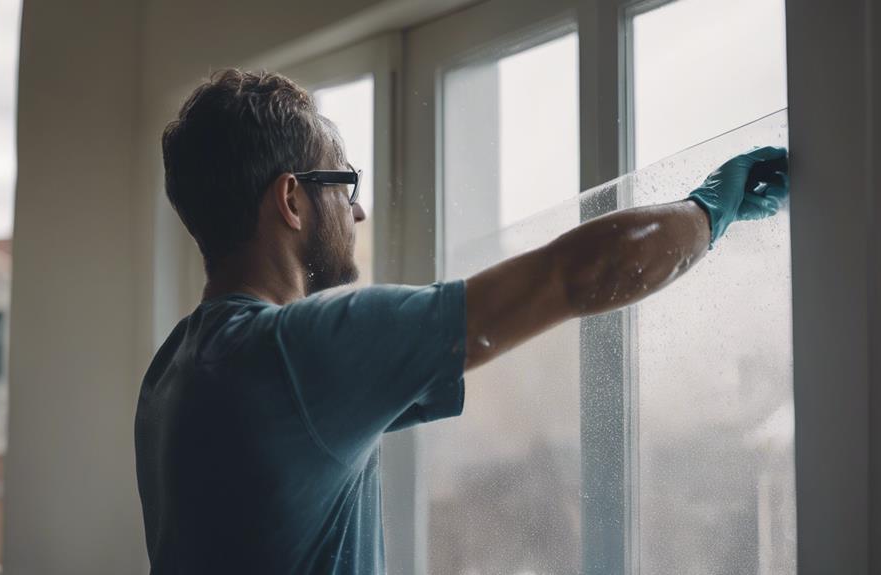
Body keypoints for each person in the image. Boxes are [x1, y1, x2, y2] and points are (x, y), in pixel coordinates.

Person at [134, 68, 789, 574]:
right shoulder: (303, 355)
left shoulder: (171, 372)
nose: (358, 216)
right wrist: (712, 208)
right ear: (290, 199)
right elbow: (571, 275)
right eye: (346, 185)